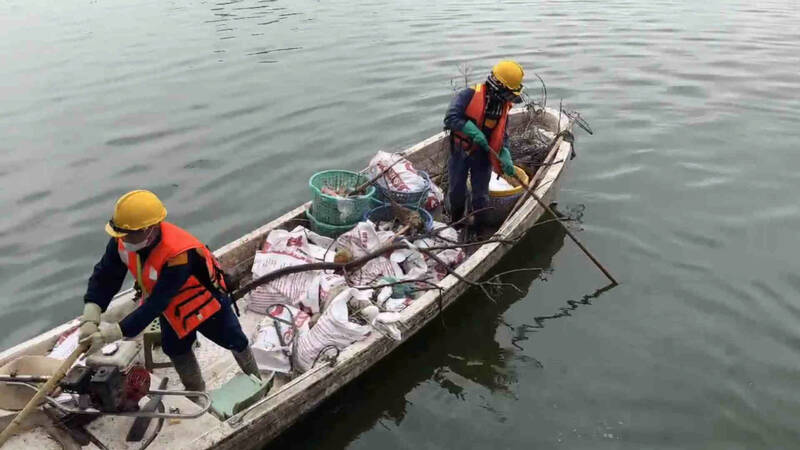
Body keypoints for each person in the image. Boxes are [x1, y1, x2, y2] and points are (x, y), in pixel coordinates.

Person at [79, 190, 259, 392]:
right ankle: (196, 393)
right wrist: (91, 313)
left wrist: (115, 332)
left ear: (150, 229)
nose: (123, 238)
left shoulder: (179, 255)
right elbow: (105, 276)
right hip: (171, 311)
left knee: (234, 339)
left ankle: (256, 379)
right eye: (120, 233)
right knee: (175, 349)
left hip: (205, 303)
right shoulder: (122, 241)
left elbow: (157, 302)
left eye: (129, 233)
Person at [443, 60, 524, 230]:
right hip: (460, 150)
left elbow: (502, 133)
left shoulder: (503, 106)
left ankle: (479, 228)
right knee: (456, 191)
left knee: (481, 196)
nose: (509, 98)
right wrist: (470, 129)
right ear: (499, 86)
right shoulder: (468, 95)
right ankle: (456, 224)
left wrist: (504, 152)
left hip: (482, 155)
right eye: (509, 93)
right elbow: (450, 117)